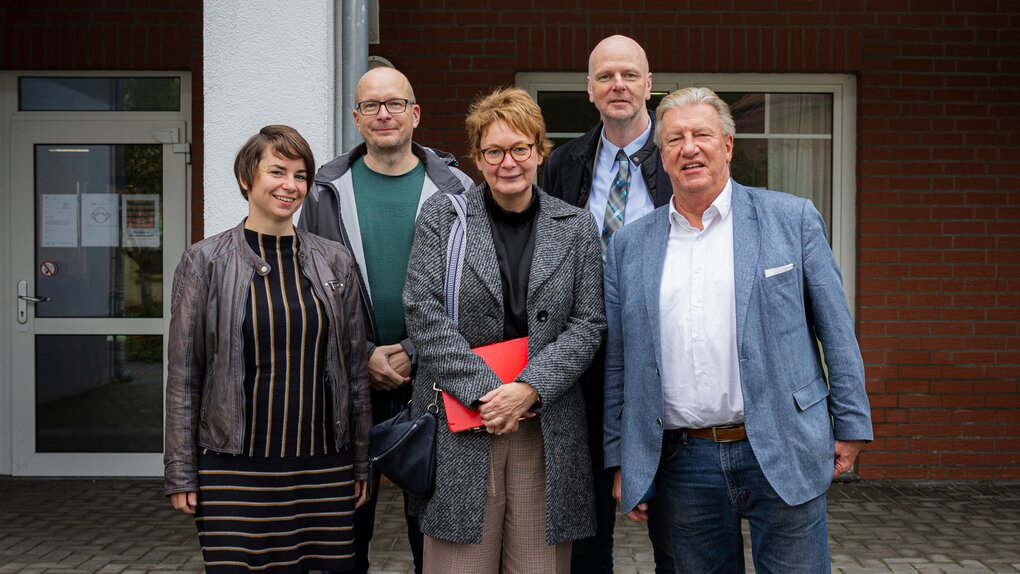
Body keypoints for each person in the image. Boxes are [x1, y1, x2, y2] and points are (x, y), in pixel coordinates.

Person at [604, 86, 874, 572]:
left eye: (702, 134)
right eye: (675, 139)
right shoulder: (630, 245)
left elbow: (836, 330)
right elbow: (620, 363)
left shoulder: (791, 219)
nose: (689, 148)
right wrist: (623, 458)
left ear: (726, 145)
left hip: (784, 441)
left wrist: (851, 423)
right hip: (684, 462)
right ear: (662, 156)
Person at [403, 87, 606, 573]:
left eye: (520, 148)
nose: (508, 162)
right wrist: (489, 394)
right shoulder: (443, 218)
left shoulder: (576, 227)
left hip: (546, 428)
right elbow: (423, 312)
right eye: (493, 151)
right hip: (460, 424)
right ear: (476, 157)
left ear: (540, 150)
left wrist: (529, 390)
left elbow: (588, 323)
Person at [164, 125, 371, 573]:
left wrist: (359, 463)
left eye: (300, 176)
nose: (290, 186)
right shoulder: (205, 262)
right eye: (277, 171)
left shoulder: (335, 261)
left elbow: (354, 373)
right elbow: (184, 376)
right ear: (246, 178)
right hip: (235, 468)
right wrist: (181, 469)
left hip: (321, 466)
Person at [297, 67, 473, 574]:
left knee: (433, 532)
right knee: (345, 533)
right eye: (371, 106)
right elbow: (307, 291)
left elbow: (470, 290)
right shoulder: (322, 191)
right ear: (356, 118)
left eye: (395, 104)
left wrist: (417, 351)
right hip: (350, 382)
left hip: (435, 381)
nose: (383, 114)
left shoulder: (458, 188)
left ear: (415, 114)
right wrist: (363, 353)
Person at [542, 34, 674, 574]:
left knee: (676, 530)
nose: (617, 85)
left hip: (661, 357)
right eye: (605, 77)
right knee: (586, 533)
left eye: (628, 75)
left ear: (649, 84)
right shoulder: (563, 163)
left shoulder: (679, 156)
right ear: (589, 90)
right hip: (584, 362)